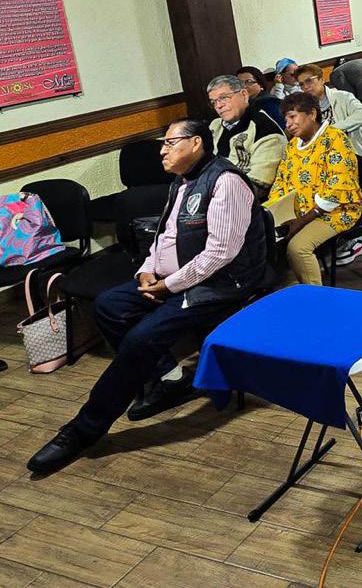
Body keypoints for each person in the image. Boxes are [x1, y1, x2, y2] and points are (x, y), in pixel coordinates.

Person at [26, 119, 268, 476]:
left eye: (170, 143)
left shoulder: (225, 182)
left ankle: (83, 429)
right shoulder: (181, 181)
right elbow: (163, 236)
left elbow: (220, 253)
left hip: (219, 283)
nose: (162, 151)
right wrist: (146, 270)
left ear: (196, 143)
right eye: (163, 144)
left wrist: (170, 286)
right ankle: (169, 378)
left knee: (142, 338)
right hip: (173, 277)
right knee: (109, 306)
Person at [265, 92, 362, 286]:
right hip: (300, 211)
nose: (288, 124)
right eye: (286, 119)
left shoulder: (335, 139)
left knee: (298, 248)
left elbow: (336, 189)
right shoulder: (292, 146)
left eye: (292, 116)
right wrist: (275, 213)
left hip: (336, 211)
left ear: (312, 114)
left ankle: (315, 294)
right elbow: (281, 182)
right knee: (266, 240)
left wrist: (301, 222)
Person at [206, 75, 286, 200]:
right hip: (211, 189)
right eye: (214, 102)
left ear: (244, 94)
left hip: (241, 202)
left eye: (223, 98)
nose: (218, 106)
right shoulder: (215, 125)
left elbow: (258, 187)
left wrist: (209, 195)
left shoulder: (267, 132)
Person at [293, 64, 362, 162]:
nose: (305, 87)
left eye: (309, 81)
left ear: (321, 80)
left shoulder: (342, 97)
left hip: (351, 156)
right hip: (322, 161)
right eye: (301, 84)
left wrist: (331, 130)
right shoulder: (305, 109)